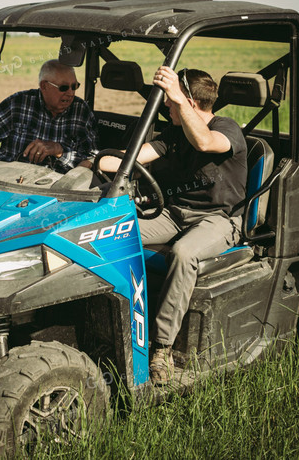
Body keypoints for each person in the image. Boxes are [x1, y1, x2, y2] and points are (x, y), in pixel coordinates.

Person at [98, 66, 247, 384]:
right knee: (111, 231)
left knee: (183, 253)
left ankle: (162, 348)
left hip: (220, 219)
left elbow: (206, 143)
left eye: (171, 101)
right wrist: (95, 161)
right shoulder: (174, 136)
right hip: (175, 214)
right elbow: (130, 158)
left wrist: (179, 97)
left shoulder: (227, 128)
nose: (166, 105)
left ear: (189, 101)